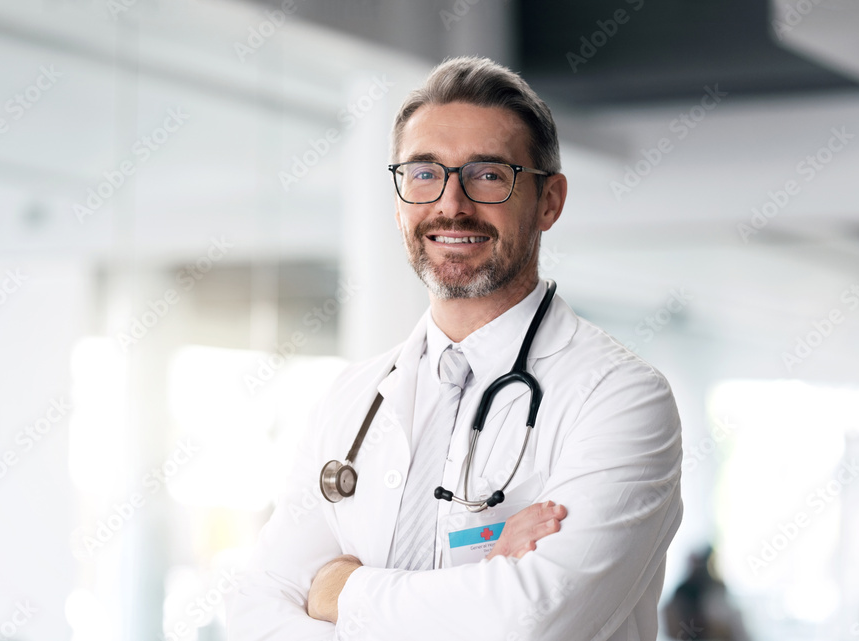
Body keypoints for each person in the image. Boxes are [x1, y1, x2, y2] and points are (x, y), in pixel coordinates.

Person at [226, 56, 683, 640]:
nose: (451, 204)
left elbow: (532, 621)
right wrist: (474, 592)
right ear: (398, 201)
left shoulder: (620, 398)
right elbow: (254, 615)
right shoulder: (353, 397)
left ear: (549, 200)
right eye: (424, 174)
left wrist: (339, 589)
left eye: (488, 174)